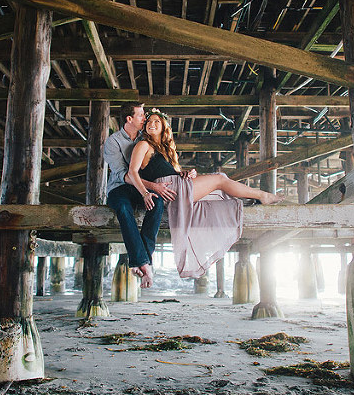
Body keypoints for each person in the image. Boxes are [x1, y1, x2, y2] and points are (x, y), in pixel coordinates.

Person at [125, 108, 284, 280]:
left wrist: (185, 174)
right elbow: (132, 172)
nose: (151, 124)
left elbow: (164, 171)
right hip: (170, 191)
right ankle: (262, 195)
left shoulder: (164, 150)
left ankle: (253, 198)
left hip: (177, 186)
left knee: (218, 188)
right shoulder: (143, 145)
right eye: (149, 122)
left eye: (157, 121)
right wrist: (145, 193)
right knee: (219, 180)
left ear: (164, 127)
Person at [103, 102, 176, 288]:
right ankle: (145, 263)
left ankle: (141, 259)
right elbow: (124, 175)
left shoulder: (145, 139)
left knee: (157, 203)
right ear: (129, 119)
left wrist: (181, 173)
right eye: (141, 115)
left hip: (141, 188)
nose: (145, 118)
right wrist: (150, 189)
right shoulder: (113, 142)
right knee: (123, 208)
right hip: (119, 188)